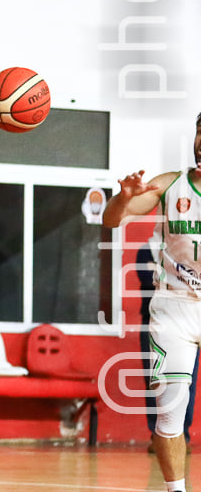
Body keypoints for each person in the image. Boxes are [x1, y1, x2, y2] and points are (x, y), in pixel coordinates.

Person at [102, 113, 201, 492]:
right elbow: (113, 220)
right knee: (171, 409)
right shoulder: (169, 184)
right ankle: (175, 489)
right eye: (199, 131)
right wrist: (123, 197)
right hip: (174, 306)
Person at [137, 243, 198, 452]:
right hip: (153, 322)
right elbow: (147, 280)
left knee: (186, 382)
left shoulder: (186, 249)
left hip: (185, 320)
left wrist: (164, 273)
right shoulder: (146, 250)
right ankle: (157, 435)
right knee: (155, 381)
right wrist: (175, 277)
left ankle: (182, 435)